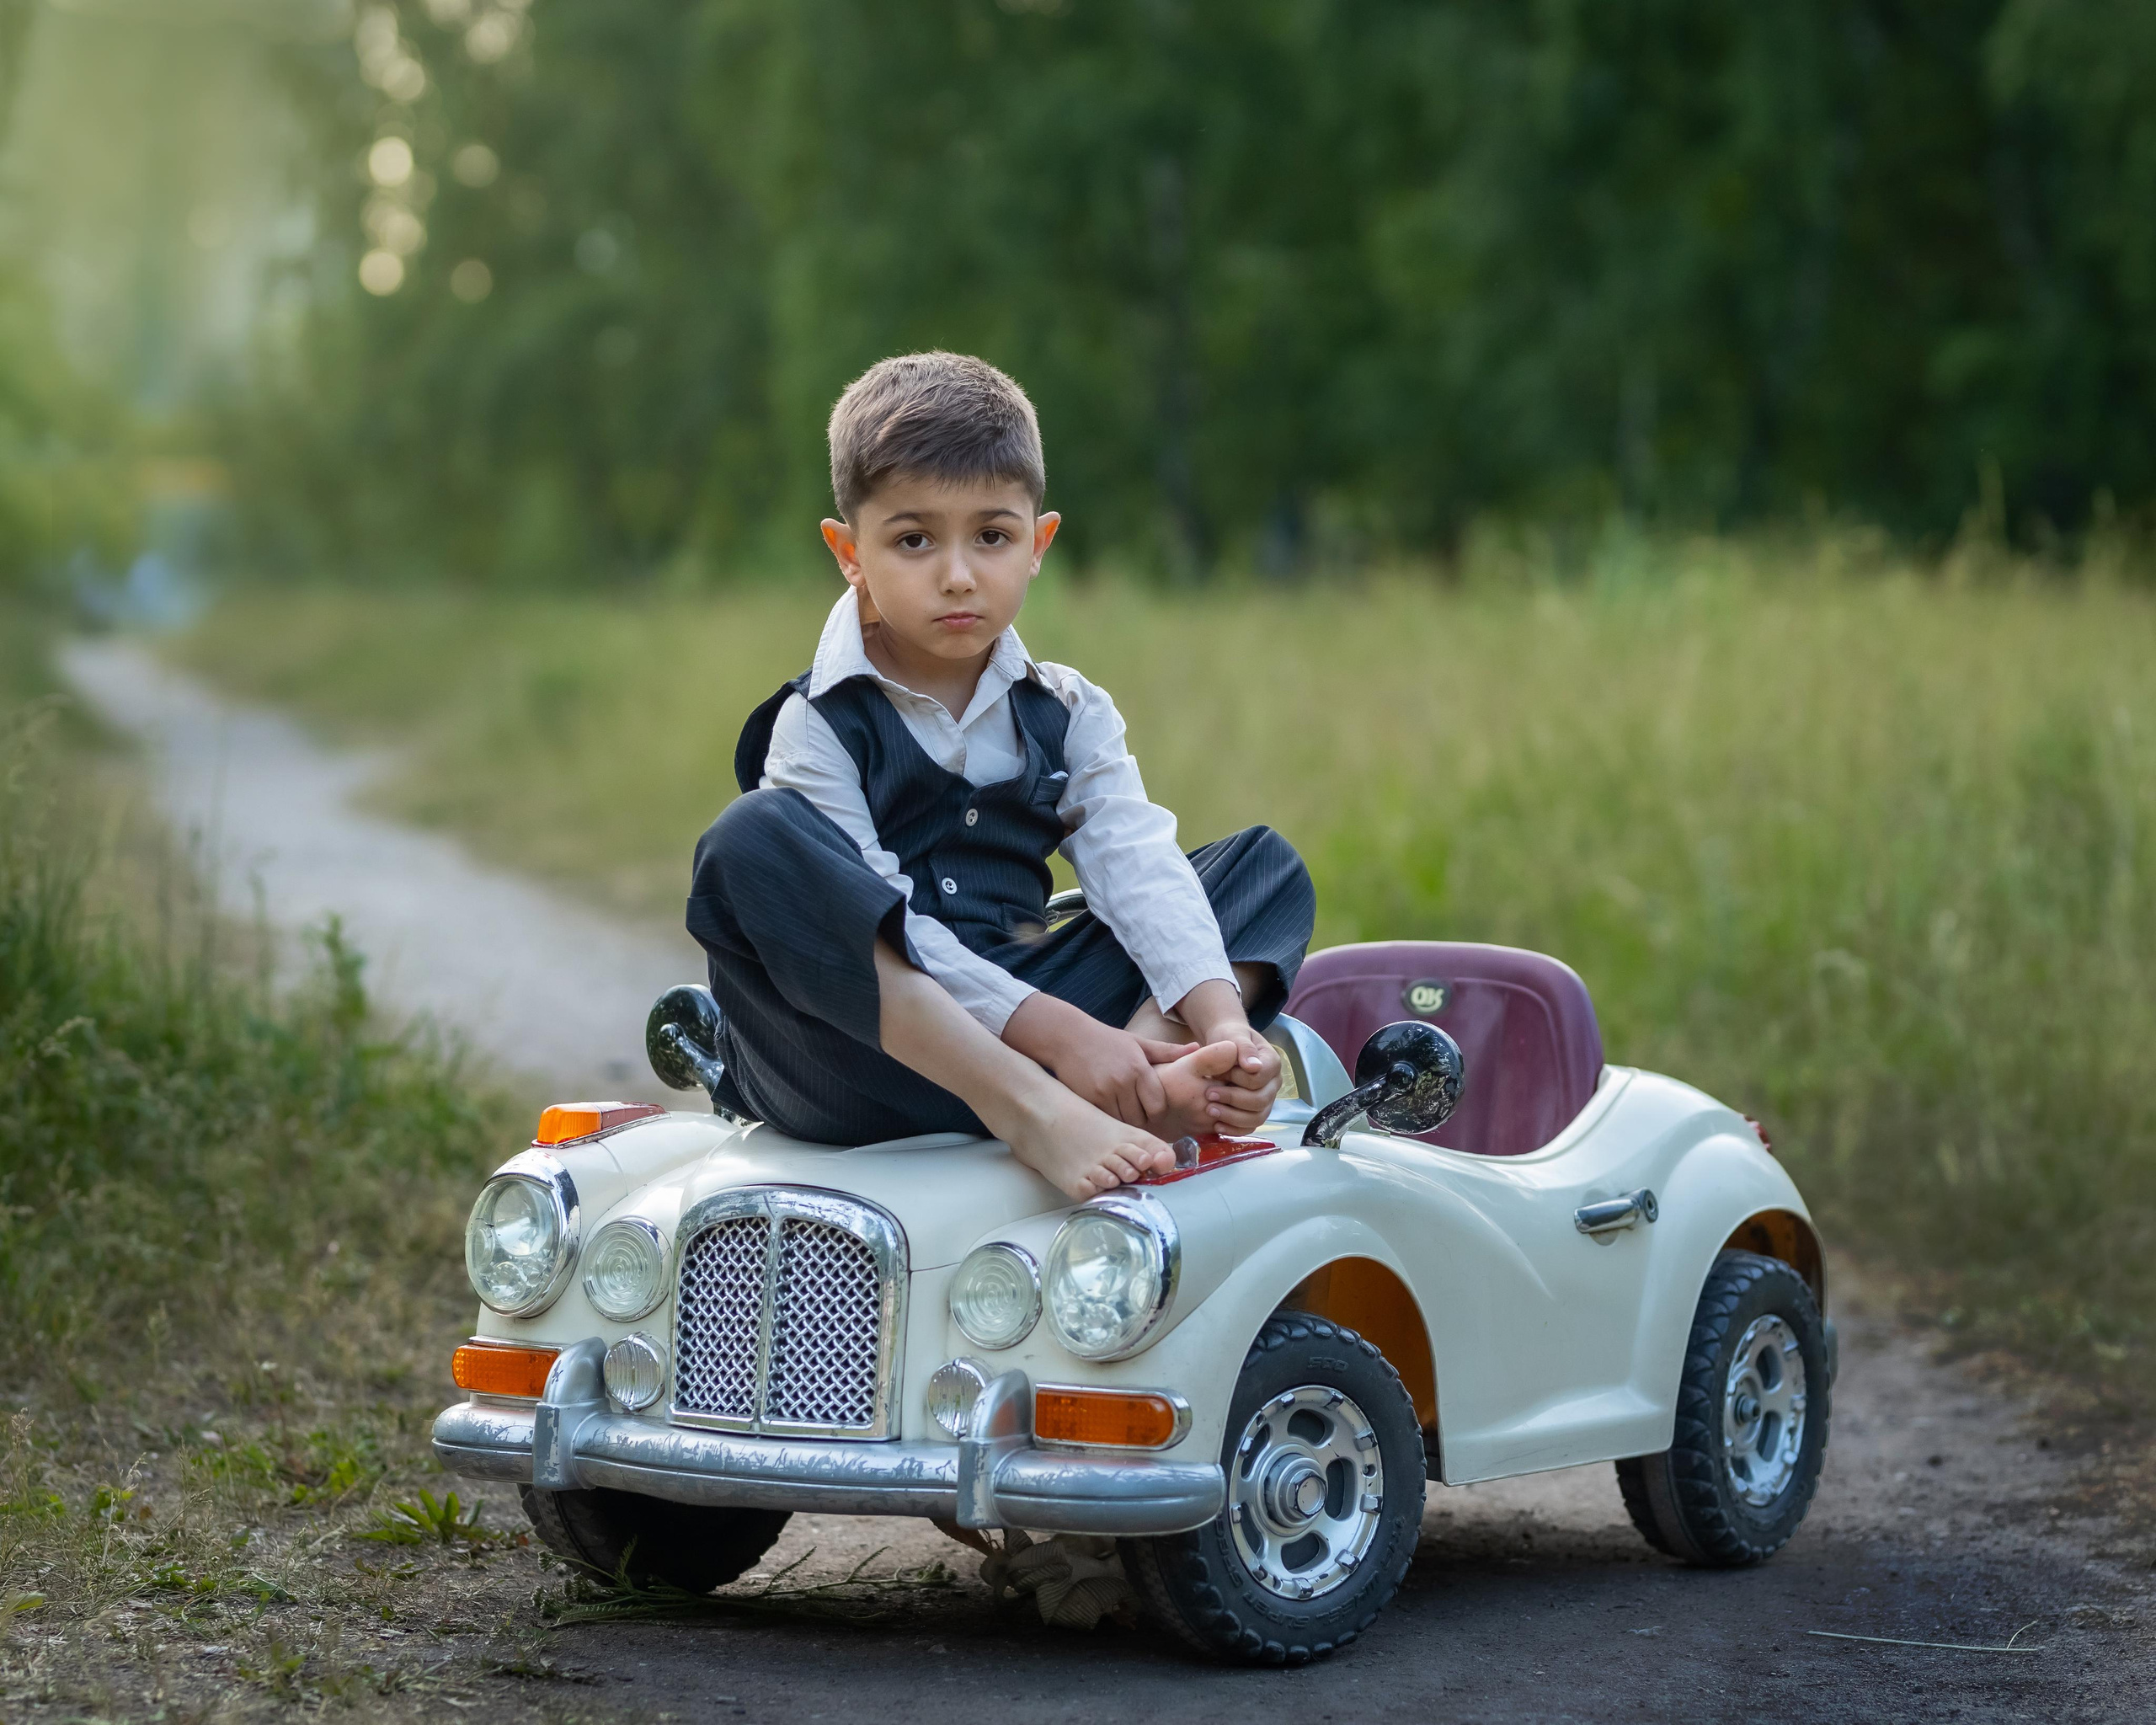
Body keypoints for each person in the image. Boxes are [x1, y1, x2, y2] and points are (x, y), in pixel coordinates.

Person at [686, 351, 1315, 1199]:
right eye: (913, 539)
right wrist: (1058, 1038)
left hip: (1046, 1016)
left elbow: (1137, 866)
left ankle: (1147, 1082)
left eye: (991, 536)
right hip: (862, 1058)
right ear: (849, 552)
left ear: (1038, 542)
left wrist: (1224, 1027)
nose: (957, 574)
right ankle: (1038, 1110)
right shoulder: (817, 726)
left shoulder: (1067, 706)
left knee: (1259, 867)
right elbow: (892, 928)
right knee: (750, 835)